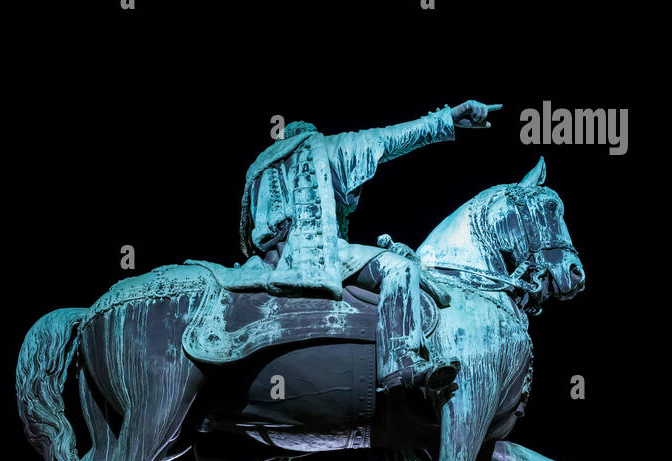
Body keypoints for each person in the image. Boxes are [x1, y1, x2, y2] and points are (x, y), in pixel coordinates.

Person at [212, 102, 499, 395]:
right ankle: (399, 360)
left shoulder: (258, 170)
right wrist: (445, 120)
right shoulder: (318, 148)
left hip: (266, 263)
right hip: (315, 255)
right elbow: (387, 139)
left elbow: (247, 235)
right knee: (400, 268)